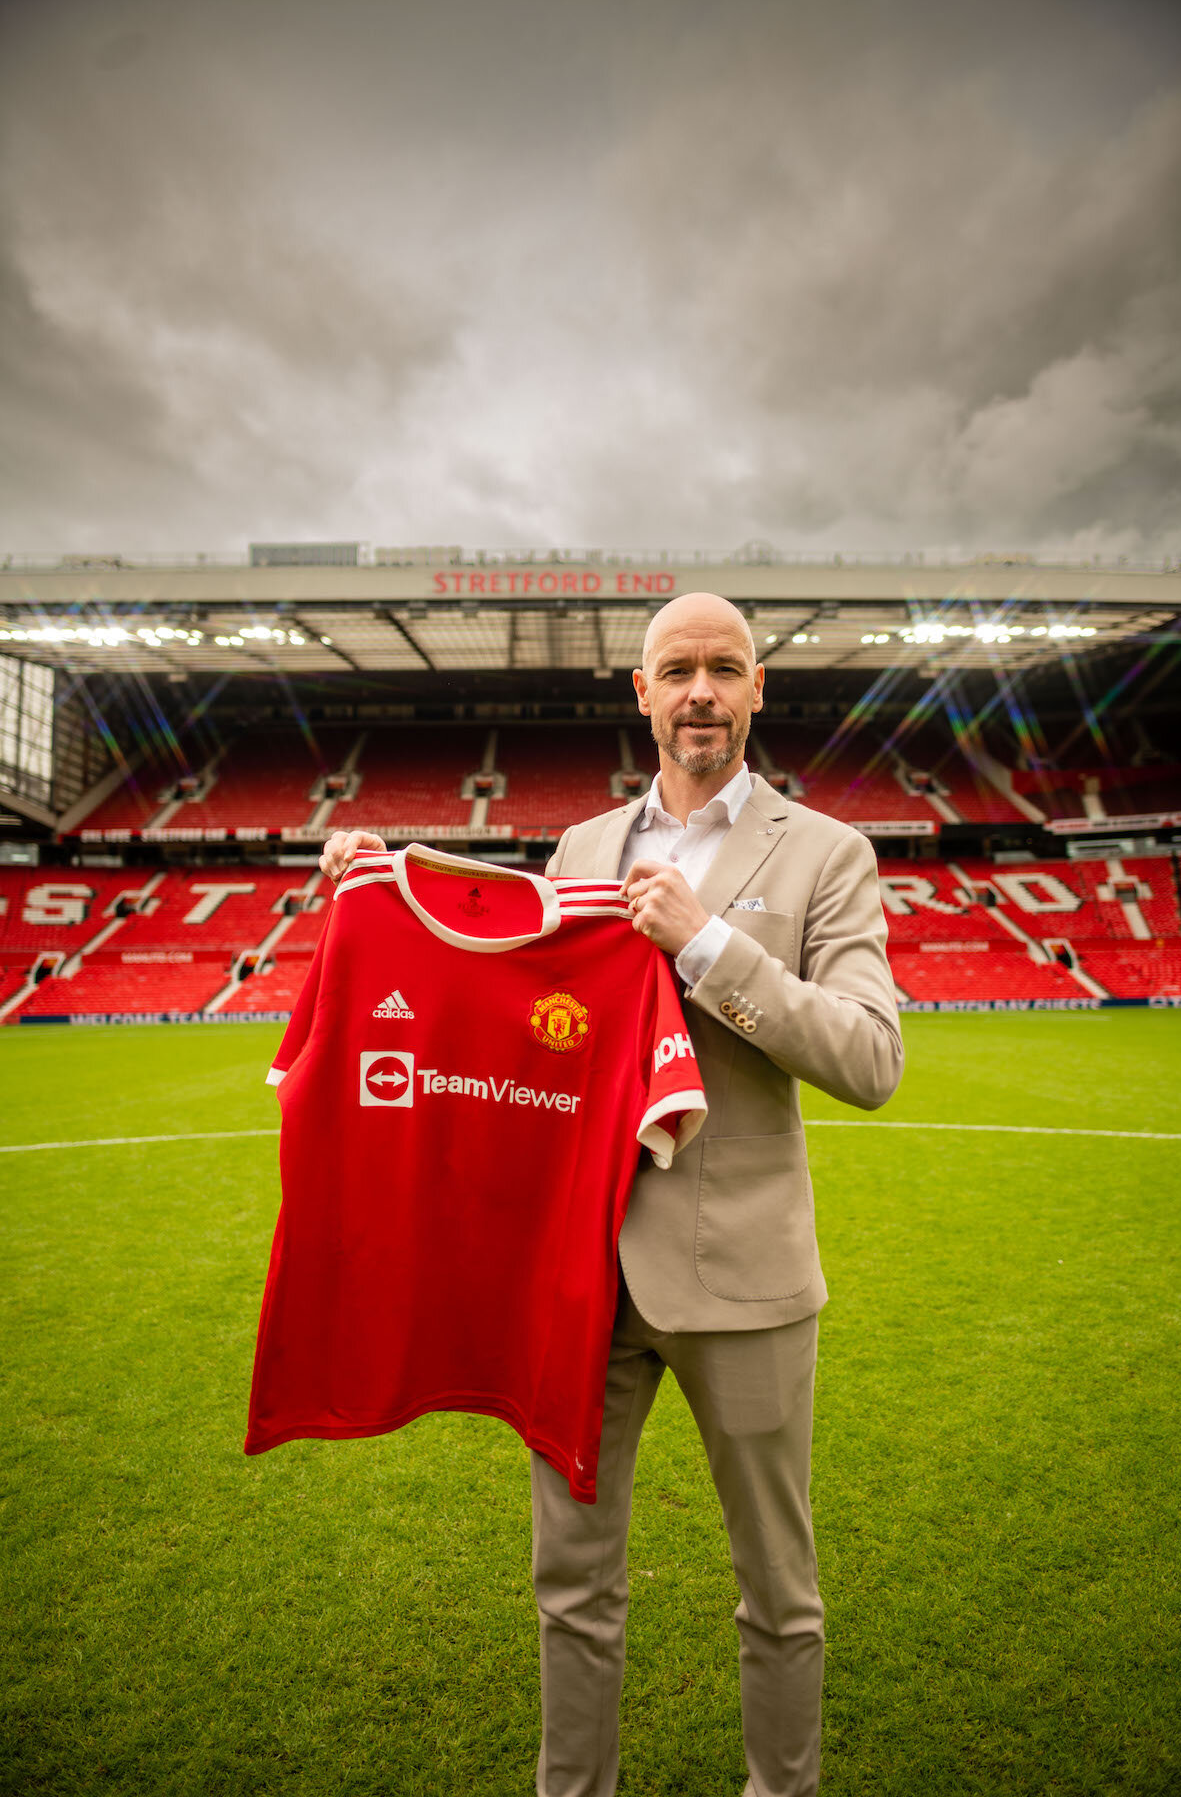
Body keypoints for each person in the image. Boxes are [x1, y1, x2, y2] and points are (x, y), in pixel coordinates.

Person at [319, 590, 903, 1797]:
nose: (702, 693)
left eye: (725, 669)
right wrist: (383, 888)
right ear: (642, 692)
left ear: (758, 689)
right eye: (678, 671)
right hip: (581, 1279)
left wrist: (709, 945)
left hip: (745, 1281)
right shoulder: (582, 852)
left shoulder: (828, 854)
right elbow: (516, 1011)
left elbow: (870, 1059)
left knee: (779, 1592)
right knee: (571, 1584)